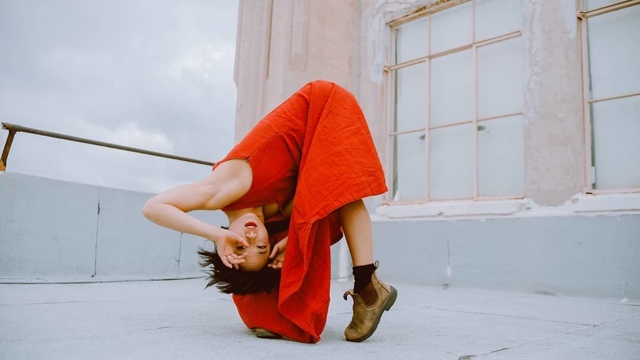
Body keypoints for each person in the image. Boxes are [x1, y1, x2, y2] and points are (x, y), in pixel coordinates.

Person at [142, 80, 397, 343]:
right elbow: (316, 202)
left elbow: (153, 207)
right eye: (261, 249)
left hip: (321, 105)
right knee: (336, 193)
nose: (252, 239)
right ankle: (368, 286)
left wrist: (217, 236)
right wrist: (293, 241)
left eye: (239, 247)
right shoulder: (279, 218)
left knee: (339, 188)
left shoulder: (227, 188)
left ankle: (367, 286)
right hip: (316, 143)